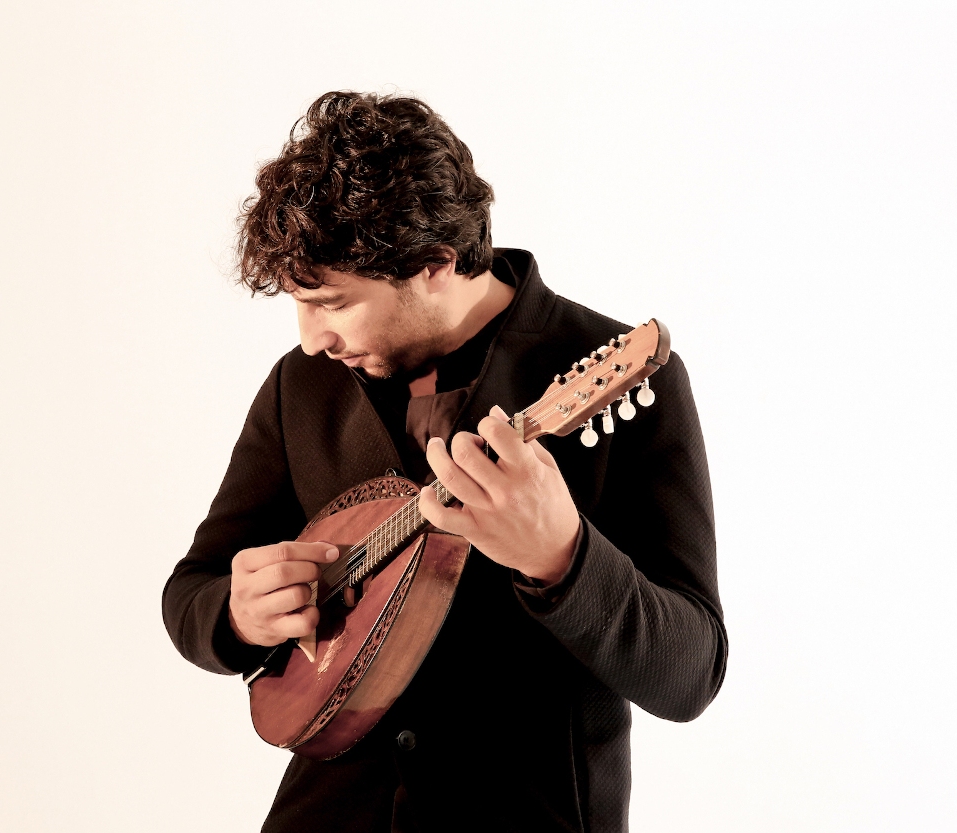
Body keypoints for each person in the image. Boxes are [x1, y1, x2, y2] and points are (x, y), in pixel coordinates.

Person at [162, 91, 726, 833]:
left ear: (434, 263)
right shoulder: (302, 386)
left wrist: (563, 557)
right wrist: (237, 614)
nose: (310, 339)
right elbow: (192, 590)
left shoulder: (613, 370)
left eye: (332, 302)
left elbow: (691, 673)